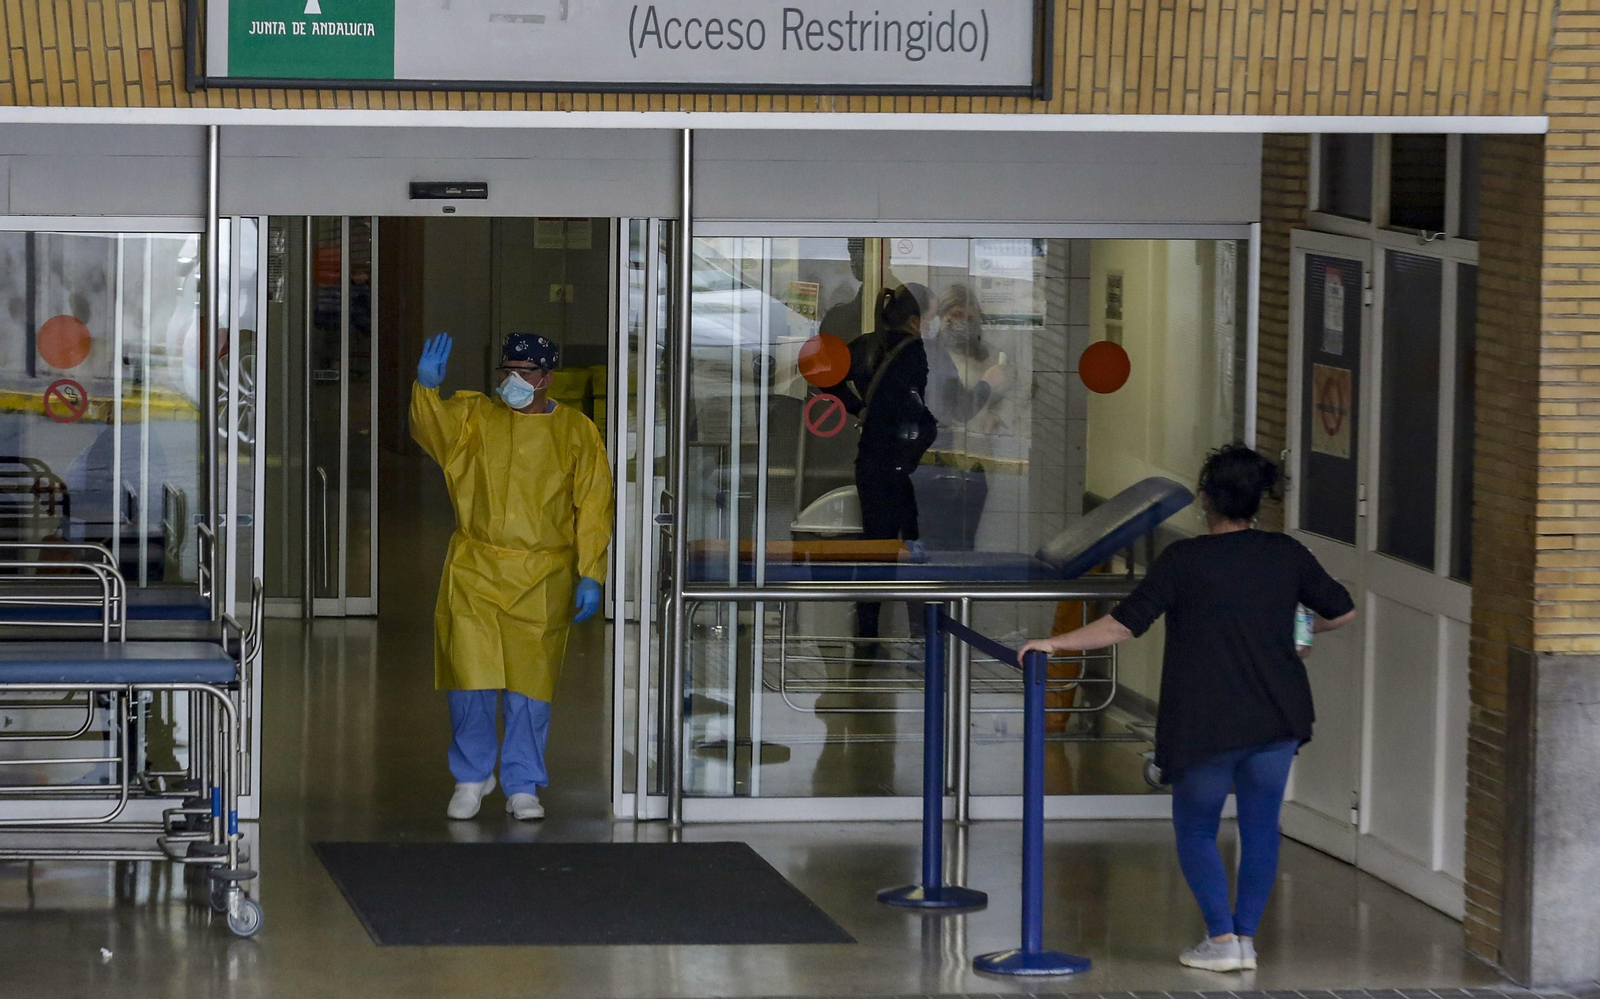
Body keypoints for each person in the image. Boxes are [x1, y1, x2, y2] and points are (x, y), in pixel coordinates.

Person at [1020, 445, 1355, 972]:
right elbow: (1342, 610)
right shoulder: (1287, 553)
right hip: (1278, 716)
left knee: (1197, 827)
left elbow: (1124, 625)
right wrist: (1299, 629)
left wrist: (1054, 644)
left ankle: (1220, 941)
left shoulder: (1185, 561)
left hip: (1207, 721)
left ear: (1205, 499)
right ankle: (1244, 939)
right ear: (1256, 502)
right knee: (1261, 826)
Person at [410, 331, 613, 822]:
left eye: (523, 372)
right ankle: (472, 775)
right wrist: (426, 389)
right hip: (476, 567)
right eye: (506, 371)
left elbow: (594, 507)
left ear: (546, 379)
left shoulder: (577, 432)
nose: (512, 381)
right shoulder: (476, 417)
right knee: (469, 679)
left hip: (543, 572)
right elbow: (432, 430)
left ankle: (523, 782)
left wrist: (591, 573)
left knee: (530, 685)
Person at [836, 283, 937, 655]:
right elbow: (912, 407)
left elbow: (823, 373)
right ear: (914, 320)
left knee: (875, 547)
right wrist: (930, 427)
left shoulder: (866, 344)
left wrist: (858, 407)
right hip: (905, 466)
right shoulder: (915, 352)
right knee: (916, 550)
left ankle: (866, 639)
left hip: (871, 462)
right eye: (932, 316)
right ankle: (921, 636)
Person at [918, 284, 1007, 551]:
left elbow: (1019, 393)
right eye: (954, 315)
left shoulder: (990, 355)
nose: (962, 324)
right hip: (938, 460)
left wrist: (998, 416)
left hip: (977, 461)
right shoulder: (928, 356)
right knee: (933, 539)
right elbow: (951, 407)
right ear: (940, 318)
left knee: (965, 540)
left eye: (969, 318)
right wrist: (986, 385)